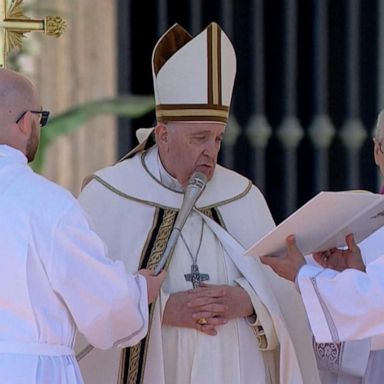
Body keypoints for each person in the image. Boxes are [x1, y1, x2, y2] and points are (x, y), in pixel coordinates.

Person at [76, 22, 321, 384]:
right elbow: (82, 304)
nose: (211, 151)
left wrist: (248, 302)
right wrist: (157, 312)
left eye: (218, 138)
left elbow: (286, 302)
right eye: (199, 137)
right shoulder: (108, 195)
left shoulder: (243, 196)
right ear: (163, 136)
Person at [0, 68, 166, 384]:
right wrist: (139, 290)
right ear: (25, 122)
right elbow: (103, 302)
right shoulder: (46, 204)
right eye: (39, 118)